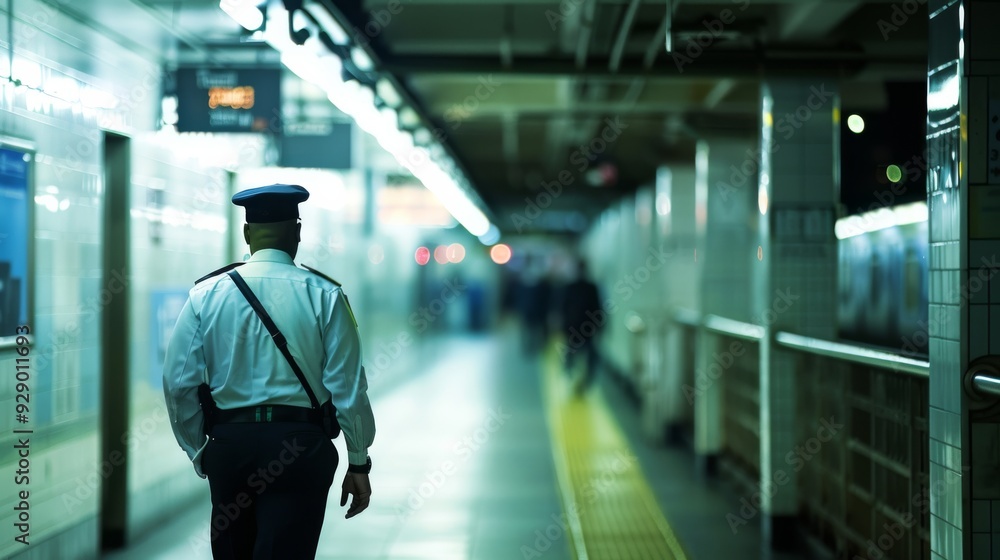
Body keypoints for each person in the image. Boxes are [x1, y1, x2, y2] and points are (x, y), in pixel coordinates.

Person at [162, 184, 376, 559]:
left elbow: (179, 383)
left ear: (247, 233)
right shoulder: (326, 294)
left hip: (231, 445)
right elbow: (348, 388)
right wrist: (359, 460)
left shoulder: (206, 294)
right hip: (300, 447)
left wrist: (199, 450)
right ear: (297, 232)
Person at [561, 259, 603, 394]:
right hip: (587, 328)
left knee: (572, 354)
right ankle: (583, 381)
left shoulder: (570, 287)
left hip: (573, 328)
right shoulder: (591, 287)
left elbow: (563, 308)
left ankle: (573, 377)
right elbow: (597, 308)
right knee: (587, 356)